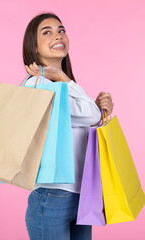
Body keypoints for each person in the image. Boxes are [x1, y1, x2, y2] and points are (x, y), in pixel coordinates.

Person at [22, 12, 114, 240]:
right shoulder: (37, 84)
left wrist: (102, 113)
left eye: (61, 30)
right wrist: (63, 77)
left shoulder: (64, 86)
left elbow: (85, 123)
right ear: (33, 48)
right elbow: (87, 114)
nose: (58, 35)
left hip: (80, 195)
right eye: (47, 32)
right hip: (51, 195)